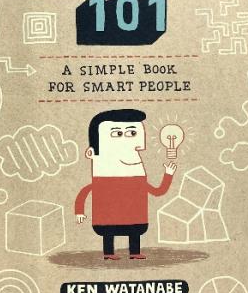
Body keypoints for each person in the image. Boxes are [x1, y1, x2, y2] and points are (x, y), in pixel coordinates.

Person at [75, 109, 176, 260]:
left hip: (135, 218)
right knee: (109, 231)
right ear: (91, 153)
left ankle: (134, 252)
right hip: (106, 219)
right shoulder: (102, 180)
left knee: (134, 230)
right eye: (117, 133)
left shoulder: (138, 180)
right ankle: (109, 253)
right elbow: (85, 192)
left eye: (132, 133)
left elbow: (158, 191)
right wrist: (79, 211)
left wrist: (168, 174)